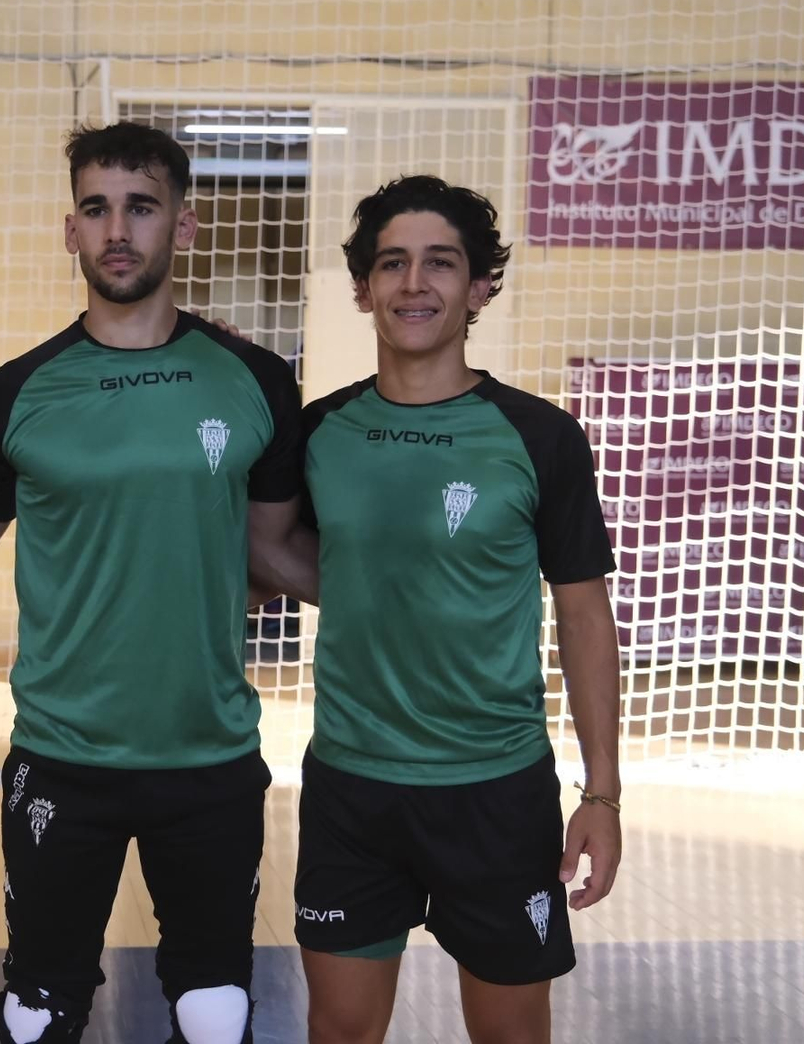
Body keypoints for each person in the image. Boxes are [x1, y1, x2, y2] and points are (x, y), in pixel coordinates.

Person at [0, 122, 305, 1044]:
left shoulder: (257, 381)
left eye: (141, 207)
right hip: (63, 757)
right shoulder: (13, 394)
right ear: (71, 230)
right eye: (95, 209)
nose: (117, 230)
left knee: (214, 1015)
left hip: (210, 758)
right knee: (37, 1016)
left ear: (184, 222)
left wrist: (405, 592)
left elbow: (271, 554)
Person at [253, 174, 622, 1044]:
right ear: (362, 288)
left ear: (480, 286)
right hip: (352, 787)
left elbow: (583, 614)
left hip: (495, 792)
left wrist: (602, 793)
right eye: (392, 263)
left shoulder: (539, 436)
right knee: (341, 1030)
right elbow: (267, 550)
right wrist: (368, 582)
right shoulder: (321, 430)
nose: (413, 283)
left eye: (440, 263)